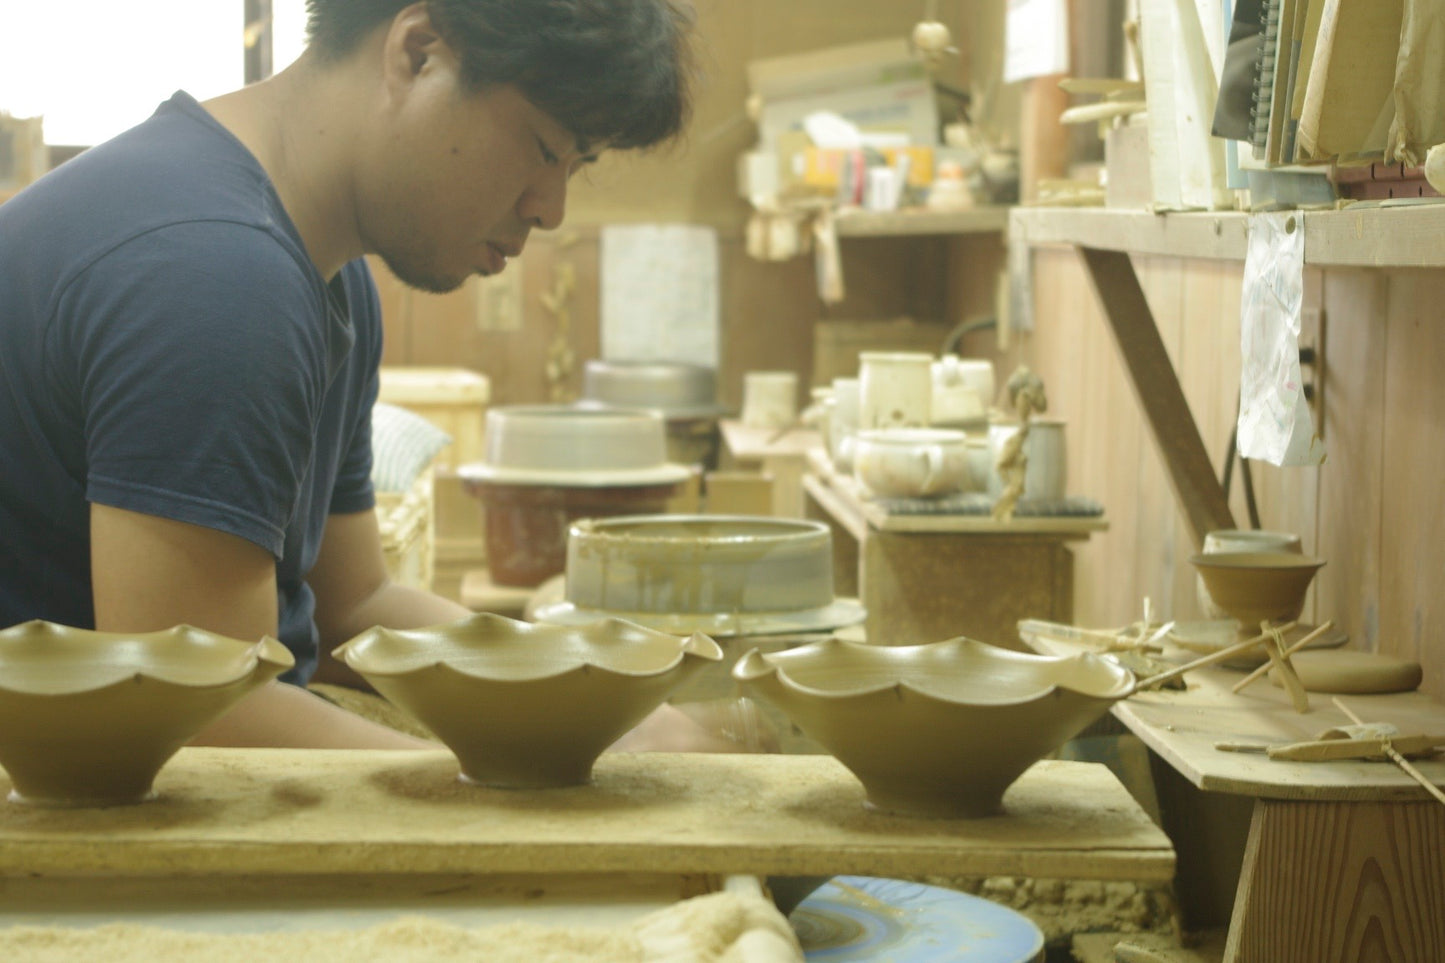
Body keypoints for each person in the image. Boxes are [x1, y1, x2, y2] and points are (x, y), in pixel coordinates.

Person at [0, 0, 730, 752]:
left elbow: (352, 603)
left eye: (576, 167)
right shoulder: (215, 275)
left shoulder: (324, 272)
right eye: (544, 149)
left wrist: (612, 702)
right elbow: (200, 721)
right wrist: (538, 773)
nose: (551, 210)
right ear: (418, 53)